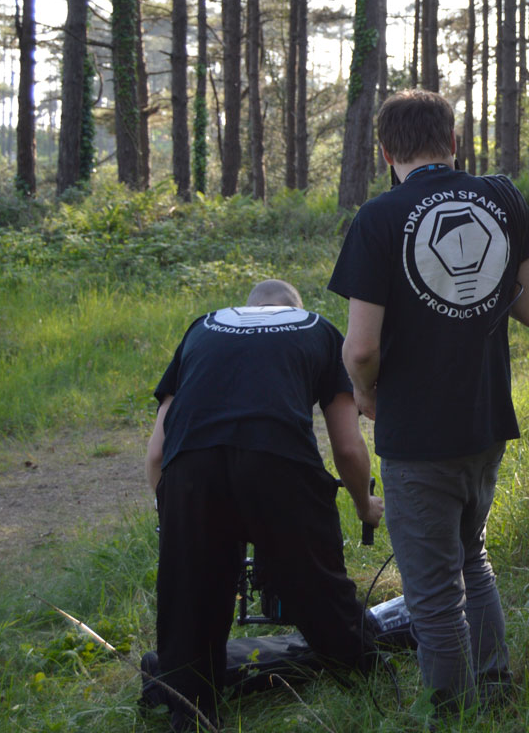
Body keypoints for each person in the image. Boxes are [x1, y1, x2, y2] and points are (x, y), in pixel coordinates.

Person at [328, 89, 529, 718]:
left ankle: (450, 713)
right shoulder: (503, 198)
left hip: (417, 434)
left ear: (386, 150)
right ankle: (496, 687)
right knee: (470, 558)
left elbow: (361, 347)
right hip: (484, 423)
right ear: (453, 142)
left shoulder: (377, 218)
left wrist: (366, 396)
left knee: (430, 591)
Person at [144, 278, 384, 731]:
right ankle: (367, 679)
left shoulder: (202, 328)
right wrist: (363, 505)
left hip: (191, 469)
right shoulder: (317, 328)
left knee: (190, 596)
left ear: (249, 307)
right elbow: (349, 450)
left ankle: (191, 713)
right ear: (293, 308)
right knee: (318, 583)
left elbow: (157, 452)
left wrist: (174, 520)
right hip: (278, 462)